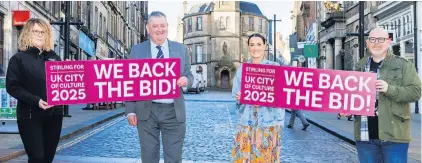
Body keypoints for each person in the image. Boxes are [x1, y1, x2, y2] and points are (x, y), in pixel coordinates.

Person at [125, 11, 193, 163]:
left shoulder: (181, 49)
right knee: (148, 157)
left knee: (174, 158)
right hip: (147, 111)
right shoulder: (137, 50)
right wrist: (130, 111)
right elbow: (129, 81)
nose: (159, 29)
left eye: (162, 25)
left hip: (173, 112)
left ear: (167, 26)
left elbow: (189, 75)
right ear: (148, 28)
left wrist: (186, 80)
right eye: (155, 26)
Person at [353, 27, 421, 163]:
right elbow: (354, 97)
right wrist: (347, 109)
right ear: (367, 42)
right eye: (372, 39)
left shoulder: (403, 65)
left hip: (394, 137)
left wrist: (389, 89)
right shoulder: (359, 66)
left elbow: (416, 92)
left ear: (389, 41)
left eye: (381, 39)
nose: (376, 43)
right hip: (365, 138)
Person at [6, 18, 65, 163]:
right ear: (27, 34)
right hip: (30, 116)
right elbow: (12, 86)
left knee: (47, 158)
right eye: (36, 31)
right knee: (37, 157)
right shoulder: (18, 59)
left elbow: (64, 84)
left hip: (55, 115)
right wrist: (36, 101)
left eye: (43, 32)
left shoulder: (55, 58)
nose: (40, 35)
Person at [231, 33, 285, 162]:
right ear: (248, 47)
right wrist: (240, 99)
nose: (255, 48)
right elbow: (236, 96)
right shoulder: (242, 69)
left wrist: (263, 100)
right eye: (252, 45)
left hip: (268, 123)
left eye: (259, 44)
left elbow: (281, 97)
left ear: (265, 46)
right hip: (246, 124)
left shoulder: (275, 68)